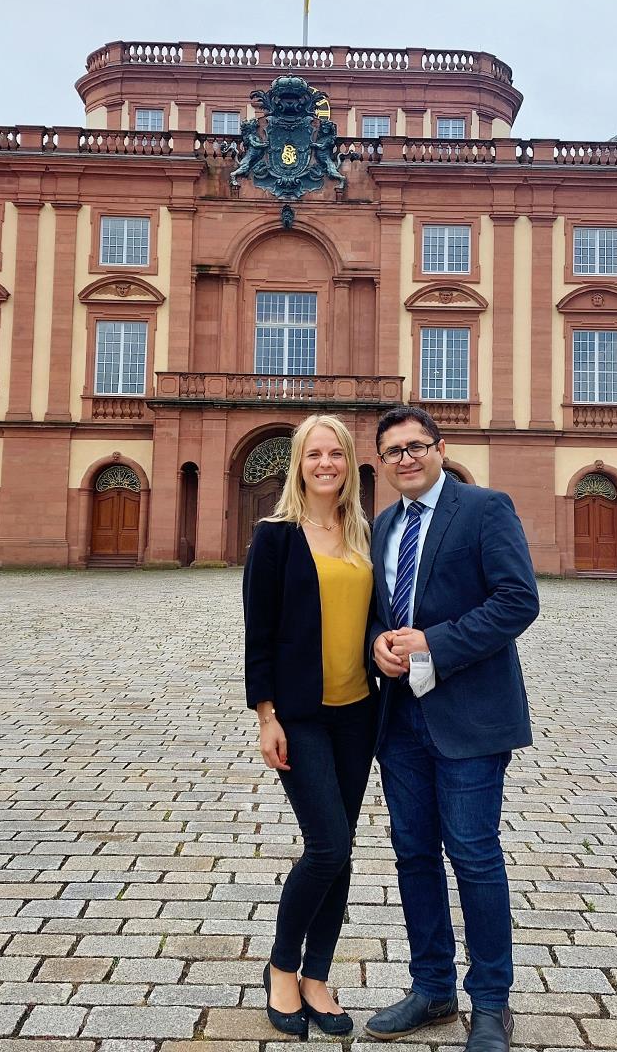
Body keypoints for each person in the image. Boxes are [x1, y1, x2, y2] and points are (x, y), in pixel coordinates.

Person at [363, 406, 540, 1052]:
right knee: (413, 854)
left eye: (416, 446)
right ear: (381, 463)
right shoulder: (383, 524)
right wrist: (378, 647)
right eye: (393, 451)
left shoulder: (484, 509)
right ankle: (432, 987)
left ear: (441, 449)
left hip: (469, 716)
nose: (405, 458)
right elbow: (381, 615)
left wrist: (432, 644)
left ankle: (491, 1003)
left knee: (473, 855)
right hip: (401, 718)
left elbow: (518, 600)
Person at [242, 413, 379, 1038]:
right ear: (298, 463)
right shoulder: (274, 537)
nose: (326, 464)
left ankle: (317, 975)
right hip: (300, 716)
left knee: (341, 854)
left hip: (358, 713)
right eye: (314, 454)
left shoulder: (362, 533)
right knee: (326, 847)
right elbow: (258, 635)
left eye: (336, 454)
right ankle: (280, 969)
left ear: (349, 463)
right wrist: (266, 715)